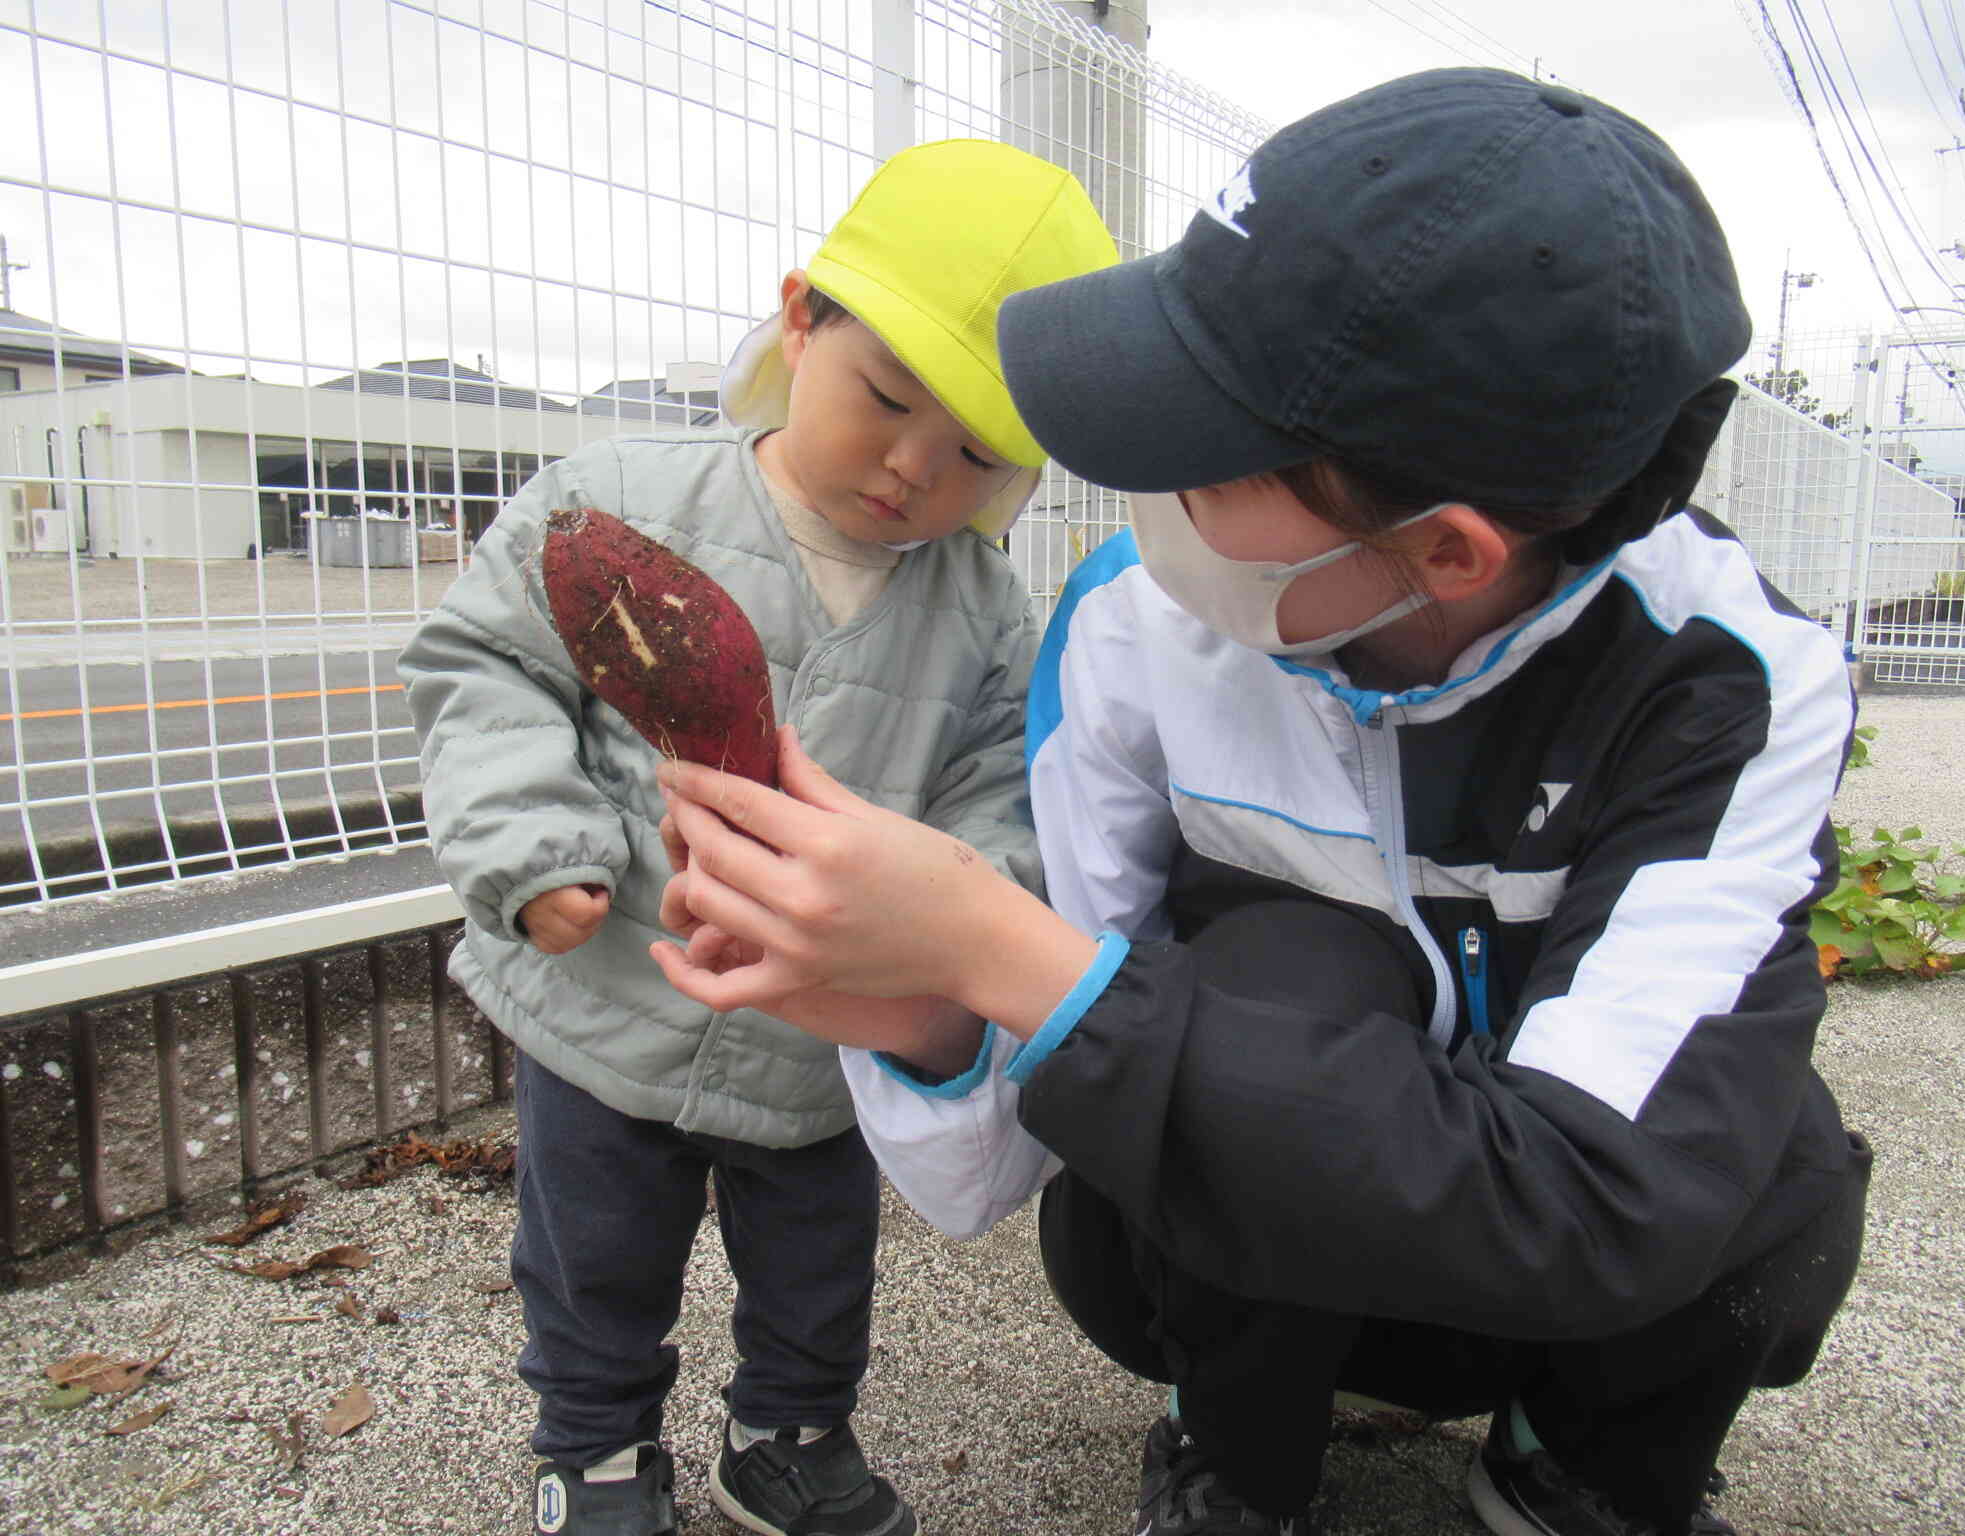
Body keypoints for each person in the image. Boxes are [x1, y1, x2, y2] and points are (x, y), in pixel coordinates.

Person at [649, 69, 1871, 1536]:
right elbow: (993, 1163)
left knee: (1765, 1158)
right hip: (1245, 1260)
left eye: (1202, 449)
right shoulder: (1128, 628)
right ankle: (1239, 1458)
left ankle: (1579, 1464)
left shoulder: (1728, 681)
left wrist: (1002, 949)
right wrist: (918, 1000)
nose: (1135, 483)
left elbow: (1591, 1193)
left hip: (1566, 1281)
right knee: (1281, 965)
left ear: (1451, 551)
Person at [399, 138, 1116, 1536]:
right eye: (885, 401)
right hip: (611, 987)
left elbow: (1004, 790)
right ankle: (594, 1451)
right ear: (801, 320)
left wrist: (946, 940)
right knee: (593, 1252)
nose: (914, 471)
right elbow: (487, 669)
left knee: (818, 1261)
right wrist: (533, 846)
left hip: (822, 1035)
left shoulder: (981, 610)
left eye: (977, 452)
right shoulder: (620, 505)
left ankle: (786, 1431)